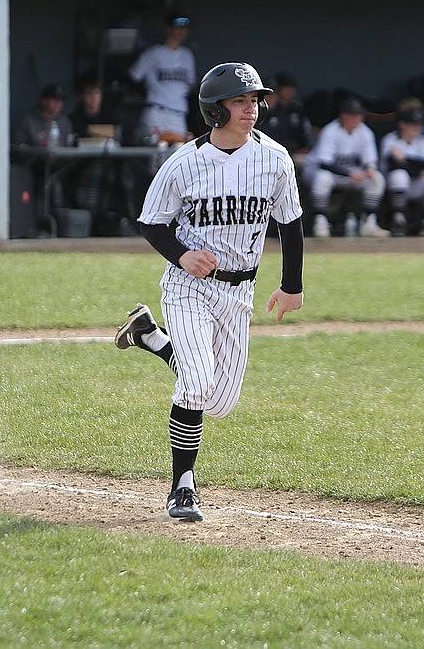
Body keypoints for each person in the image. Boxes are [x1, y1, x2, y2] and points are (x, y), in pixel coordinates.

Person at [113, 62, 305, 522]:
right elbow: (151, 222)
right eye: (240, 101)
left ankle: (151, 337)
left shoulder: (275, 158)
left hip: (240, 293)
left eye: (254, 100)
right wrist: (181, 255)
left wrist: (291, 285)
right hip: (189, 288)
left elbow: (291, 223)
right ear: (214, 111)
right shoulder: (184, 161)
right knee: (196, 384)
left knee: (219, 402)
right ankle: (182, 487)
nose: (251, 109)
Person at [304, 97, 388, 238]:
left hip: (350, 174)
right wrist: (350, 175)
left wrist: (369, 169)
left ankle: (369, 222)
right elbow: (325, 164)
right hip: (320, 172)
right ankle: (320, 221)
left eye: (359, 115)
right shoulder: (330, 131)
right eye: (353, 115)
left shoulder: (365, 133)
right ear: (343, 115)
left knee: (377, 179)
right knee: (323, 178)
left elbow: (370, 160)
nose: (357, 119)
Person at [68, 81, 141, 235]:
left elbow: (119, 139)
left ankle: (125, 216)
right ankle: (92, 219)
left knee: (125, 172)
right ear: (82, 97)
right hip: (80, 164)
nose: (93, 98)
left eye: (96, 94)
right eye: (89, 94)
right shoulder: (75, 117)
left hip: (110, 163)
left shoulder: (110, 116)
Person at [129, 11, 196, 145]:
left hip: (178, 114)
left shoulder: (187, 56)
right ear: (168, 28)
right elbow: (133, 78)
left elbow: (191, 85)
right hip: (156, 111)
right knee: (156, 154)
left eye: (184, 27)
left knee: (178, 155)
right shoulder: (153, 53)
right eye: (178, 26)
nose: (182, 31)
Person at [380, 106, 424, 236]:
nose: (418, 128)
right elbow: (393, 165)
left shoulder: (422, 140)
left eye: (419, 125)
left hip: (416, 185)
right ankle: (398, 220)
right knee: (399, 175)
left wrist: (405, 159)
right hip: (393, 186)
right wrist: (417, 168)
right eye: (413, 125)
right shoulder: (390, 139)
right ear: (403, 125)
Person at [11, 82, 74, 215]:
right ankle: (42, 221)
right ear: (44, 101)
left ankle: (61, 218)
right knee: (47, 182)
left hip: (61, 167)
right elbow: (19, 149)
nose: (58, 104)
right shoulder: (28, 121)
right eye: (54, 100)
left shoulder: (65, 121)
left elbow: (70, 147)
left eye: (60, 101)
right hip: (35, 168)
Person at [262, 71, 313, 161]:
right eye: (267, 95)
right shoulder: (253, 113)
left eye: (273, 95)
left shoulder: (286, 112)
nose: (270, 98)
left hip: (283, 154)